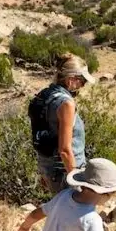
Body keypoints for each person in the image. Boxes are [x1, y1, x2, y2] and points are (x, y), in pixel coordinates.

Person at [29, 54, 94, 195]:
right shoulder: (66, 104)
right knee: (76, 212)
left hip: (48, 167)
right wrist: (76, 181)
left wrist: (43, 170)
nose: (83, 86)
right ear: (71, 80)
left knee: (60, 210)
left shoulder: (43, 95)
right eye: (82, 81)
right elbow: (65, 149)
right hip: (65, 171)